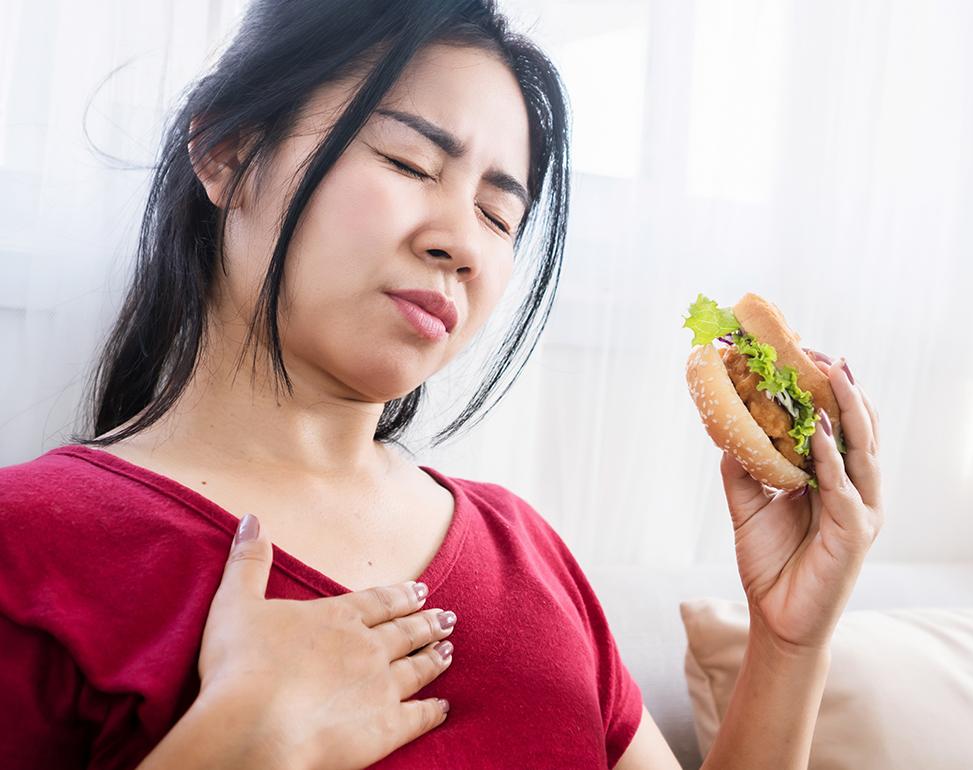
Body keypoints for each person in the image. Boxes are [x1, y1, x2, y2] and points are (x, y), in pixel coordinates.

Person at [0, 1, 884, 768]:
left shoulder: (527, 553)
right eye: (410, 164)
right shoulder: (30, 545)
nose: (461, 240)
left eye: (500, 215)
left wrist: (788, 644)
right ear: (230, 150)